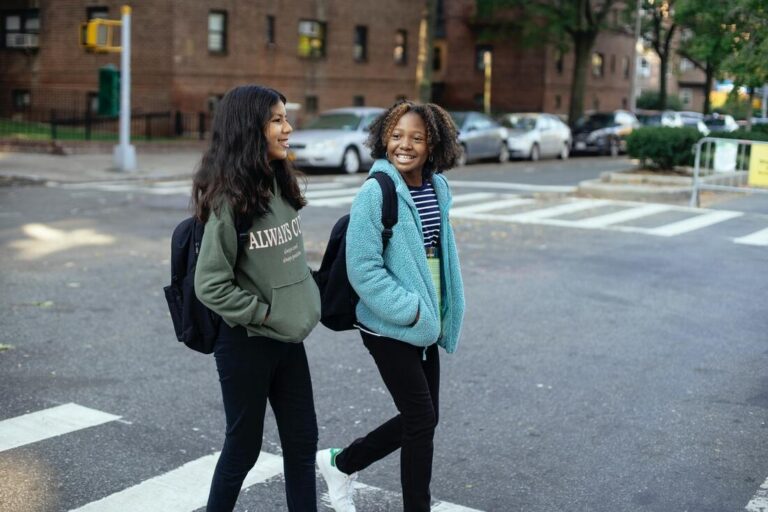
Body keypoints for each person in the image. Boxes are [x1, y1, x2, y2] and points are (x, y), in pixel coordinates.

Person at [316, 100, 466, 512]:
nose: (405, 145)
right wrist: (410, 310)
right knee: (420, 419)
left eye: (417, 138)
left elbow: (436, 254)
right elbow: (363, 268)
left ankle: (341, 463)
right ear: (384, 138)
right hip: (388, 323)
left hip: (425, 320)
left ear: (434, 143)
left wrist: (442, 309)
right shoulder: (375, 191)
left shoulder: (438, 187)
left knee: (424, 419)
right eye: (397, 136)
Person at [192, 85, 321, 512]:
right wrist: (263, 313)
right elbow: (209, 283)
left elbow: (286, 265)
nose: (288, 128)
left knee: (302, 447)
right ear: (251, 129)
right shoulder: (230, 201)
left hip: (289, 340)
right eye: (277, 120)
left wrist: (306, 298)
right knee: (242, 451)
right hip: (246, 343)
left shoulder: (279, 184)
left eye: (286, 118)